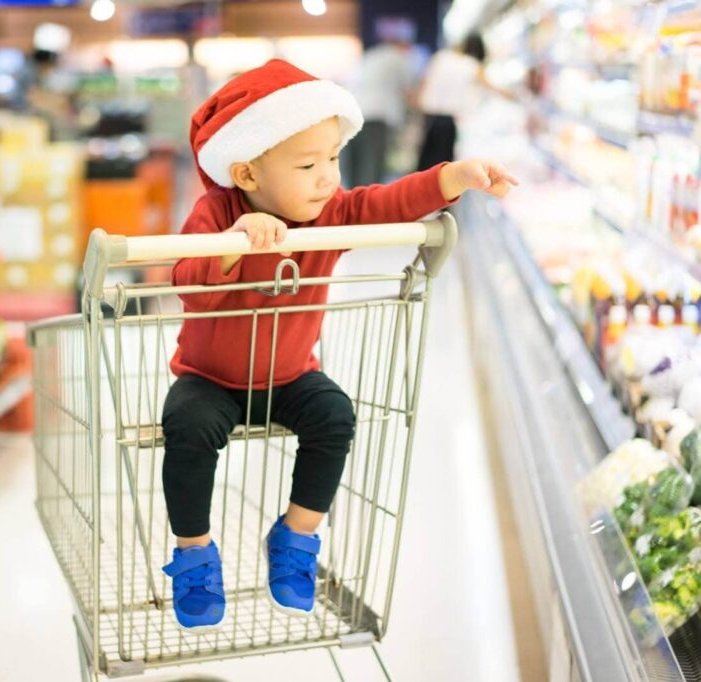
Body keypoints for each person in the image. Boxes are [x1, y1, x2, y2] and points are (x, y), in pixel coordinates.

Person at [161, 58, 517, 630]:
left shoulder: (330, 211)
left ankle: (296, 536)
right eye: (308, 164)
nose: (328, 176)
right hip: (211, 378)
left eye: (332, 157)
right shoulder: (217, 212)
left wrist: (454, 177)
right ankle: (195, 552)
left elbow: (389, 202)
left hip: (290, 374)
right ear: (248, 174)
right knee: (186, 428)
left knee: (334, 414)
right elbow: (189, 287)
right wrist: (235, 244)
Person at [342, 18, 418, 186]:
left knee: (355, 169)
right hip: (377, 118)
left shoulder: (370, 56)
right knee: (371, 168)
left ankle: (351, 209)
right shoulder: (399, 58)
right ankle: (365, 211)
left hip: (354, 114)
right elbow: (409, 93)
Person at [416, 33, 504, 170]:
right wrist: (517, 96)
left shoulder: (441, 57)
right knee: (441, 166)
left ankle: (419, 190)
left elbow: (423, 83)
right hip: (447, 119)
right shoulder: (471, 65)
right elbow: (492, 87)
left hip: (428, 115)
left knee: (426, 159)